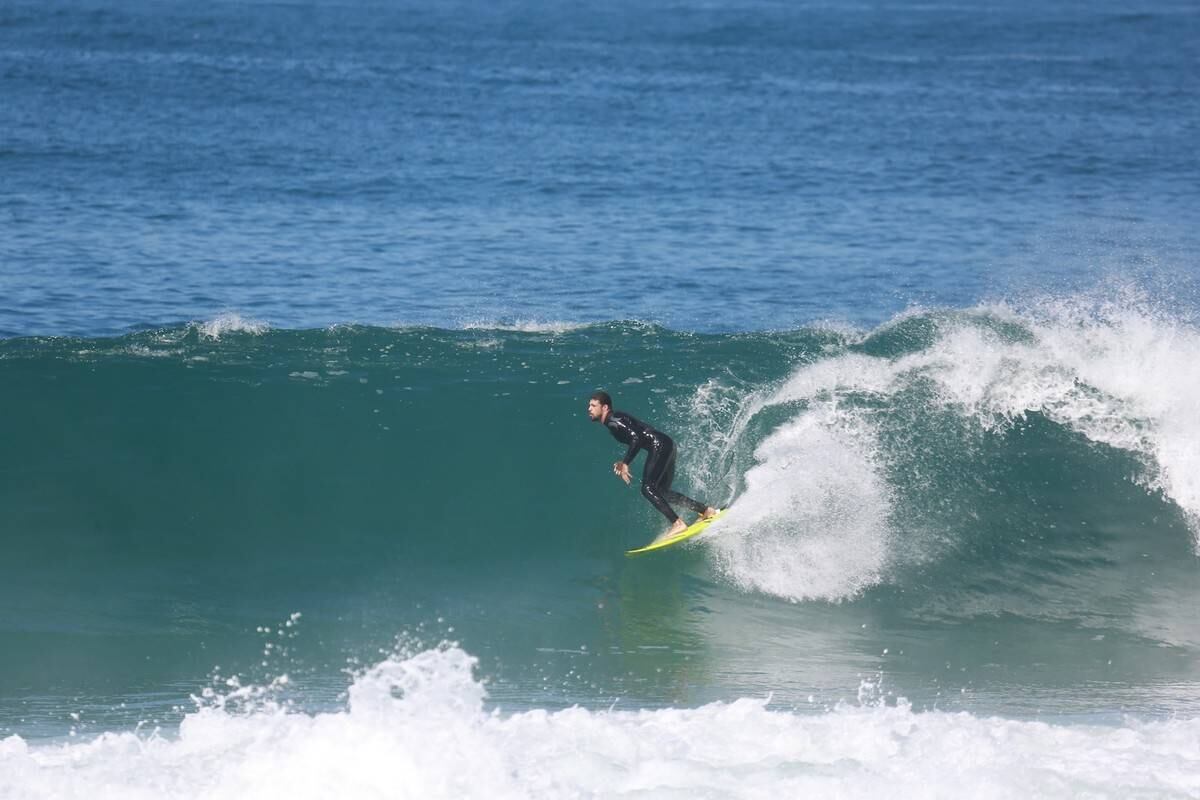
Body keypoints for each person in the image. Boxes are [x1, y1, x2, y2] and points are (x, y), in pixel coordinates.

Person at [587, 390, 718, 542]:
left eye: (593, 405)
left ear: (605, 408)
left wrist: (626, 463)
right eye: (589, 405)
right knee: (661, 492)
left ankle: (678, 523)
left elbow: (637, 438)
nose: (589, 409)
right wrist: (624, 461)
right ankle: (706, 510)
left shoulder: (613, 421)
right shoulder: (616, 419)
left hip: (660, 445)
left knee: (648, 489)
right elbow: (639, 435)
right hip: (666, 444)